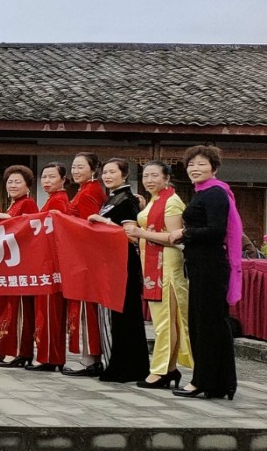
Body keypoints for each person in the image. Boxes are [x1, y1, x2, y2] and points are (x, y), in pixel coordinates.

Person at [168, 145, 238, 400]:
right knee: (208, 323)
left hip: (210, 265)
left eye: (201, 164)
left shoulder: (215, 193)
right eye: (191, 165)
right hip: (200, 264)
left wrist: (184, 232)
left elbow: (216, 231)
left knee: (207, 324)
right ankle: (220, 383)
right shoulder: (202, 192)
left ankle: (203, 381)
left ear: (214, 168)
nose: (195, 169)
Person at [123, 160, 191, 389]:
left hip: (167, 266)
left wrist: (141, 232)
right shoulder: (155, 199)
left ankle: (161, 370)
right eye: (146, 176)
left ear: (166, 178)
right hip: (153, 264)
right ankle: (168, 369)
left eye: (155, 175)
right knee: (163, 321)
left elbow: (175, 237)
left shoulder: (171, 201)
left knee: (165, 321)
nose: (149, 180)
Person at [86, 158, 150, 383]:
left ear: (124, 175)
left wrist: (103, 223)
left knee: (127, 314)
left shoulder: (128, 199)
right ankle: (120, 364)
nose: (107, 176)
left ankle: (129, 368)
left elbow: (131, 235)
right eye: (105, 172)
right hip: (110, 262)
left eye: (112, 172)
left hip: (125, 262)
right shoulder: (112, 198)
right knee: (116, 315)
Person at [62, 152, 110, 375]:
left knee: (86, 308)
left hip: (86, 257)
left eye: (80, 167)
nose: (75, 171)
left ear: (93, 170)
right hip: (81, 255)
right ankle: (88, 357)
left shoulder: (90, 191)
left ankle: (90, 358)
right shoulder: (85, 189)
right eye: (74, 167)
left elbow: (90, 226)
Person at [0, 165, 39, 367]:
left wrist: (8, 219)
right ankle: (9, 349)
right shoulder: (13, 205)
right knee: (9, 307)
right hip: (9, 264)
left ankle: (19, 351)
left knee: (19, 308)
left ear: (28, 185)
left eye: (17, 182)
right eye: (10, 182)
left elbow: (29, 229)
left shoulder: (28, 203)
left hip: (22, 264)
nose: (12, 185)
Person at [27, 163, 72, 371]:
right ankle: (49, 356)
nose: (46, 181)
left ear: (63, 179)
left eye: (52, 177)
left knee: (48, 311)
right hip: (46, 262)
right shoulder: (52, 199)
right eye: (44, 177)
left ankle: (48, 357)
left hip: (51, 264)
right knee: (46, 311)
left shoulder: (59, 201)